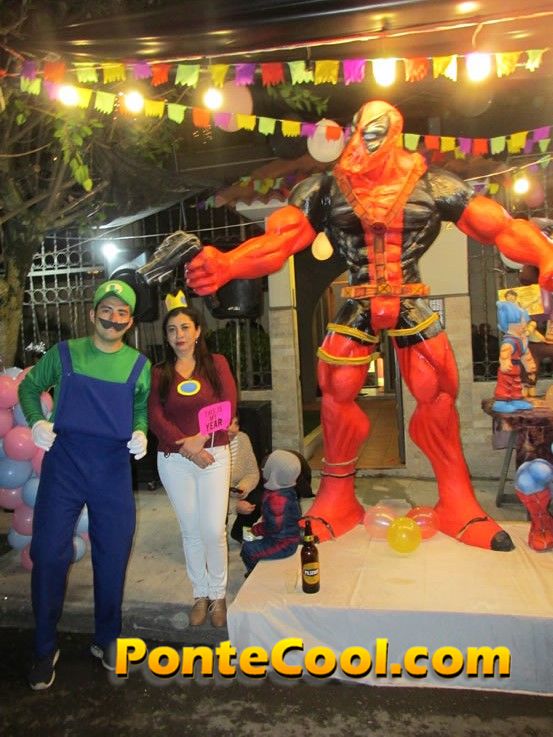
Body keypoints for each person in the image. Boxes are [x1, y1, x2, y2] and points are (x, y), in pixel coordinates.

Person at [187, 99, 553, 552]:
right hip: (359, 296)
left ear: (394, 134)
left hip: (409, 294)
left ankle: (457, 501)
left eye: (373, 133)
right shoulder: (325, 188)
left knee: (437, 392)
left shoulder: (434, 184)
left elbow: (501, 228)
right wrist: (227, 263)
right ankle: (337, 499)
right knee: (336, 389)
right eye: (358, 131)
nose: (361, 143)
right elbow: (281, 239)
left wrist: (545, 255)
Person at [18, 279, 151, 690]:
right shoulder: (64, 353)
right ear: (93, 314)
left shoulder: (139, 365)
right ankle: (44, 648)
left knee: (113, 554)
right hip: (65, 464)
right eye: (106, 310)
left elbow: (140, 407)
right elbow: (28, 387)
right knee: (48, 554)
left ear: (130, 321)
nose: (113, 318)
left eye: (122, 312)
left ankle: (107, 639)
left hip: (112, 468)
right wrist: (36, 421)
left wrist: (141, 430)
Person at [148, 292, 237, 628]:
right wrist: (186, 446)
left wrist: (200, 438)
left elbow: (228, 405)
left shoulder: (217, 364)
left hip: (214, 454)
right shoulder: (160, 372)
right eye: (172, 330)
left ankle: (218, 594)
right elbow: (155, 416)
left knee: (213, 529)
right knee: (191, 530)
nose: (179, 335)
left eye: (185, 327)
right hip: (174, 460)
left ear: (198, 330)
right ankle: (200, 594)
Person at [241, 449, 302, 575]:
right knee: (246, 534)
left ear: (273, 473)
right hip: (284, 535)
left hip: (283, 544)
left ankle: (253, 573)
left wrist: (257, 530)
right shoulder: (284, 488)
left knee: (248, 549)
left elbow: (273, 527)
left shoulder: (277, 500)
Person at [493, 300, 536, 412]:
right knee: (504, 385)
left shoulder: (521, 340)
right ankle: (500, 402)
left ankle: (516, 399)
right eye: (522, 322)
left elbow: (525, 354)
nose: (524, 325)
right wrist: (505, 363)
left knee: (516, 385)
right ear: (512, 324)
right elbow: (505, 353)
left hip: (516, 369)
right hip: (507, 370)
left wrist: (530, 367)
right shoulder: (509, 341)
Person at [227, 414, 262, 543]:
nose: (233, 429)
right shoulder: (208, 447)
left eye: (236, 423)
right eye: (228, 424)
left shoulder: (242, 438)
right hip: (215, 495)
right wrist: (234, 506)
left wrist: (243, 488)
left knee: (259, 498)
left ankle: (240, 533)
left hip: (236, 489)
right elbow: (207, 491)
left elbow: (252, 472)